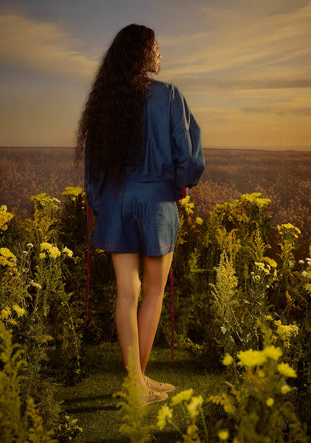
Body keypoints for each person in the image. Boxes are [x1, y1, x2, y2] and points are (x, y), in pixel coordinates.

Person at [76, 24, 205, 405]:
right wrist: (178, 186)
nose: (160, 54)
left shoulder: (105, 102)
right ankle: (136, 384)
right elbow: (190, 156)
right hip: (157, 203)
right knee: (152, 293)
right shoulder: (169, 96)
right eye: (157, 47)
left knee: (125, 294)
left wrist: (102, 204)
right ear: (144, 55)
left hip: (117, 202)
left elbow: (93, 169)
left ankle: (139, 381)